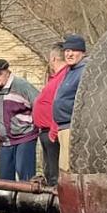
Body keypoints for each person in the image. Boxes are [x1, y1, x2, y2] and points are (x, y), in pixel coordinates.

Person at [0, 58, 40, 181]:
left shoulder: (22, 85)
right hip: (5, 141)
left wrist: (35, 125)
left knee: (25, 179)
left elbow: (39, 104)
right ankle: (6, 200)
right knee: (4, 181)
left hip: (25, 138)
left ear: (7, 72)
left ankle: (26, 200)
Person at [51, 34, 89, 174]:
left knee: (68, 170)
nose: (69, 54)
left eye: (74, 50)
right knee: (63, 169)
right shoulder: (71, 71)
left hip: (72, 127)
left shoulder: (84, 71)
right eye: (67, 51)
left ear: (82, 52)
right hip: (63, 127)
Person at [32, 47, 66, 184]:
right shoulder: (56, 77)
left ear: (53, 59)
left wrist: (54, 128)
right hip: (45, 131)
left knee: (54, 174)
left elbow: (60, 104)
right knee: (48, 171)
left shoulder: (63, 77)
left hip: (52, 131)